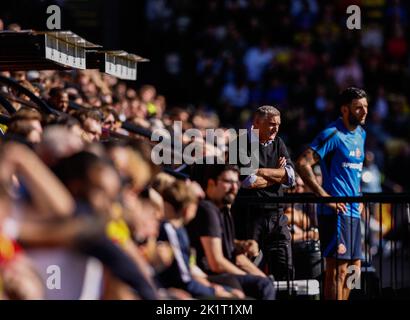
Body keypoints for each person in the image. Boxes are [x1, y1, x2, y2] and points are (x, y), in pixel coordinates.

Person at [296, 87, 368, 300]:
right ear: (345, 110)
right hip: (336, 213)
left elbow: (354, 172)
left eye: (366, 107)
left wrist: (360, 194)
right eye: (358, 108)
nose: (364, 112)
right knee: (337, 271)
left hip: (354, 212)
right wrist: (324, 197)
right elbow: (302, 163)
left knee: (354, 269)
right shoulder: (332, 133)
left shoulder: (361, 134)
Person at [188, 162, 276, 300]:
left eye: (237, 183)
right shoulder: (207, 210)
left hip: (222, 274)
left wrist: (262, 277)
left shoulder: (223, 210)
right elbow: (215, 263)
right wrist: (253, 279)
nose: (234, 187)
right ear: (211, 183)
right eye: (228, 182)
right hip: (208, 276)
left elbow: (234, 255)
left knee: (265, 283)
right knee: (262, 286)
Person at [231, 105, 296, 281]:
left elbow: (290, 177)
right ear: (257, 123)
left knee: (285, 269)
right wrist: (277, 173)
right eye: (271, 124)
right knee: (246, 268)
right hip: (250, 216)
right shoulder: (240, 144)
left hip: (277, 215)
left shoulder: (279, 142)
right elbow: (248, 182)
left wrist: (261, 171)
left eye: (278, 124)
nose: (276, 128)